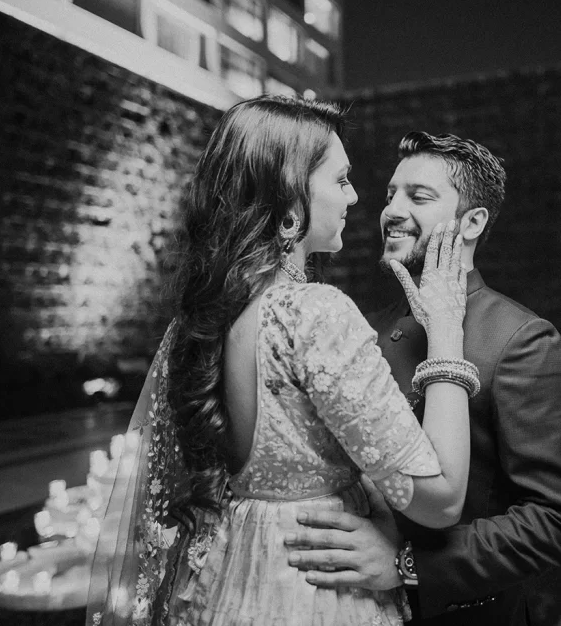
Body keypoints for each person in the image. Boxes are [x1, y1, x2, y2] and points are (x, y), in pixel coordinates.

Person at [86, 98, 478, 626]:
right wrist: (448, 334)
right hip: (310, 589)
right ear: (290, 198)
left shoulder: (202, 320)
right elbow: (441, 498)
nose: (355, 197)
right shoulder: (314, 313)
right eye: (340, 181)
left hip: (228, 572)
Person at [285, 132, 561, 625]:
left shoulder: (522, 339)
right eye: (391, 194)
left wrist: (406, 566)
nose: (392, 209)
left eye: (419, 197)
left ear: (472, 222)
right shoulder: (366, 323)